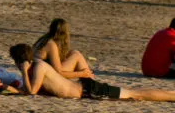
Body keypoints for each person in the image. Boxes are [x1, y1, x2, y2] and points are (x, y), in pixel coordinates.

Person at [9, 43, 175, 102]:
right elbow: (27, 89)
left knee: (135, 94)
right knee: (134, 94)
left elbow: (31, 92)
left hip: (90, 91)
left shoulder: (38, 67)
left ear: (20, 61)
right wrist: (6, 87)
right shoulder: (35, 66)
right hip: (85, 90)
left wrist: (23, 72)